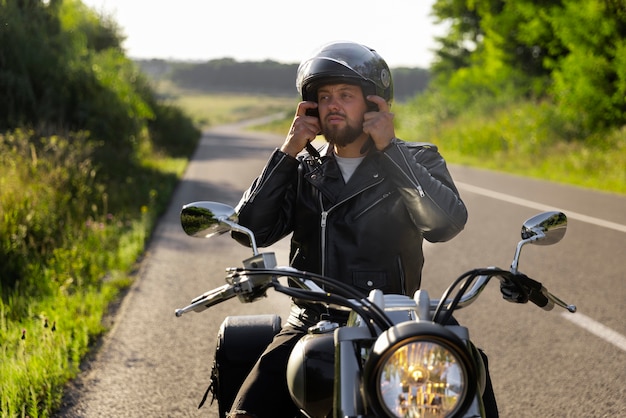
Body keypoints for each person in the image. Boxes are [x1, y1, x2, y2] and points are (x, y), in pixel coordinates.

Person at [229, 41, 498, 417]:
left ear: (374, 103)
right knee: (250, 409)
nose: (333, 104)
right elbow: (248, 230)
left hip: (398, 318)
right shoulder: (303, 167)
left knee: (469, 379)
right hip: (311, 318)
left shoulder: (419, 158)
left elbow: (444, 224)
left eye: (345, 95)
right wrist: (288, 150)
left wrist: (390, 149)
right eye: (324, 97)